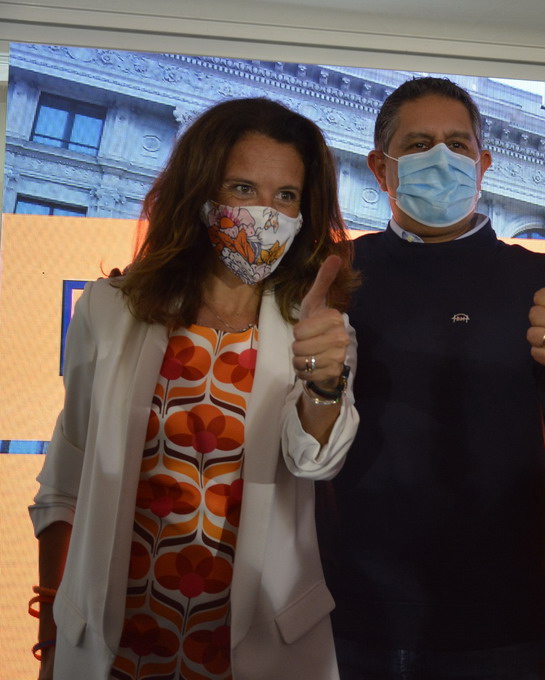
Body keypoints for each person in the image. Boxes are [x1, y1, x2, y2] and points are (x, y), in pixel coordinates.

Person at [28, 97, 359, 680]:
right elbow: (64, 484)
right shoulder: (109, 310)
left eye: (286, 196)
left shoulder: (317, 327)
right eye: (243, 189)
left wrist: (324, 382)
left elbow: (314, 462)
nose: (265, 215)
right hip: (115, 646)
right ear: (201, 193)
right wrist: (50, 636)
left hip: (263, 646)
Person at [314, 77, 545, 679]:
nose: (442, 158)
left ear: (483, 166)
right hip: (350, 616)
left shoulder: (543, 283)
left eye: (458, 145)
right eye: (419, 144)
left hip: (498, 625)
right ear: (380, 169)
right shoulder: (336, 276)